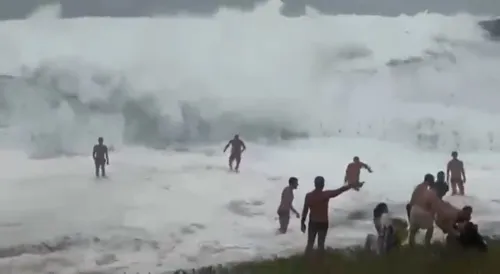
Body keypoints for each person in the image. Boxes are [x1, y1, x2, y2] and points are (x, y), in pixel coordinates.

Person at [301, 176, 363, 255]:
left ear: (315, 184)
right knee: (321, 244)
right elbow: (340, 190)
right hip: (323, 223)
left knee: (310, 243)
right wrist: (351, 185)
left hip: (313, 222)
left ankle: (306, 261)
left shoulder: (309, 196)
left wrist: (302, 223)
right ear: (323, 184)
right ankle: (320, 262)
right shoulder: (325, 195)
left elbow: (305, 210)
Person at [407, 174, 436, 247]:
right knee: (430, 227)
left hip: (413, 211)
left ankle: (411, 245)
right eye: (432, 180)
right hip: (420, 211)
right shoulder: (426, 189)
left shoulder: (418, 187)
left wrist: (409, 216)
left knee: (413, 230)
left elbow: (411, 203)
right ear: (430, 180)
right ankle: (427, 243)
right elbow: (428, 203)